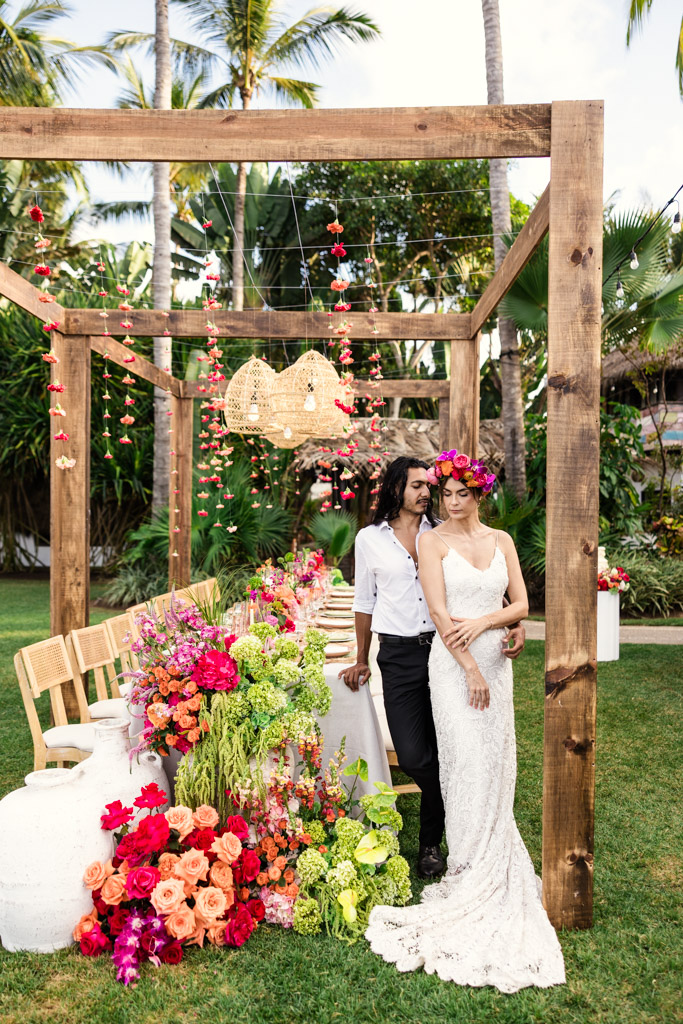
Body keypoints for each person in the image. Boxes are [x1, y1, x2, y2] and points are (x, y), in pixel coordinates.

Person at [365, 451, 565, 992]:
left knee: (496, 762)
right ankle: (466, 863)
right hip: (456, 668)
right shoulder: (432, 541)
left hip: (498, 668)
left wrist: (494, 625)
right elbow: (438, 613)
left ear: (480, 494)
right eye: (445, 493)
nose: (451, 502)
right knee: (464, 763)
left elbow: (522, 602)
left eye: (461, 494)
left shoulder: (501, 540)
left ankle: (487, 851)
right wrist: (472, 663)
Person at [339, 456, 525, 879]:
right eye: (417, 486)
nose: (427, 493)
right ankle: (462, 803)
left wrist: (514, 622)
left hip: (446, 652)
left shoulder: (442, 532)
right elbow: (364, 602)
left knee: (448, 745)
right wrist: (360, 656)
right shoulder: (369, 539)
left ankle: (430, 845)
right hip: (401, 654)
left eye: (430, 486)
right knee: (416, 754)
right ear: (396, 489)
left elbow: (480, 586)